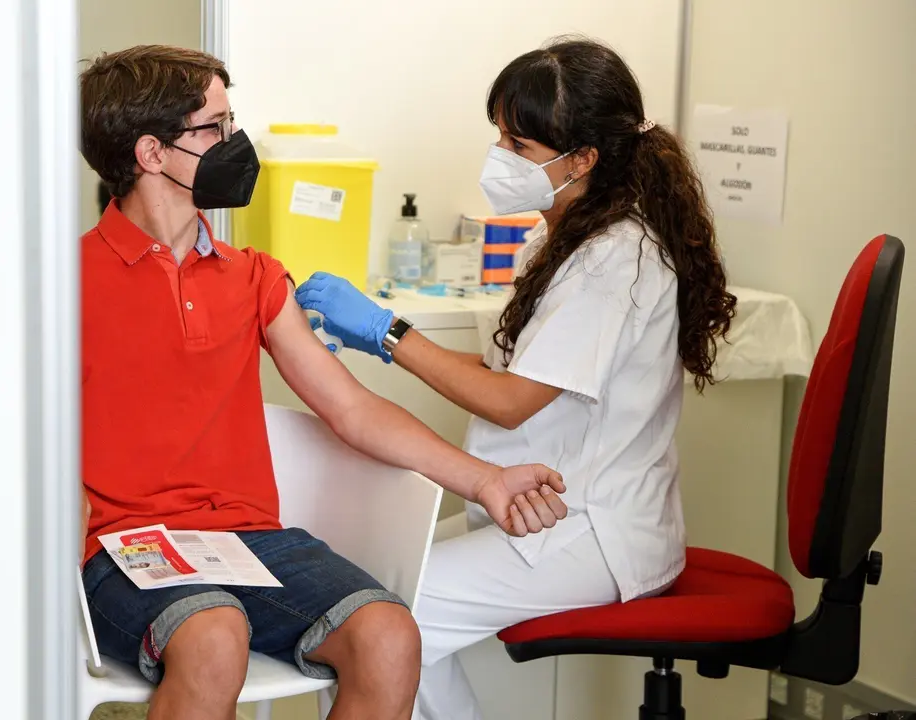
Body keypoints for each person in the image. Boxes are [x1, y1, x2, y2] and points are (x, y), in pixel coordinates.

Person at [78, 45, 568, 720]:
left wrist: (483, 479)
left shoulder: (252, 277)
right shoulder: (65, 283)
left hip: (249, 541)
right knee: (215, 635)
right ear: (152, 153)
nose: (235, 143)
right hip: (128, 545)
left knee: (389, 635)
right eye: (215, 128)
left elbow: (351, 408)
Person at [296, 36, 738, 719]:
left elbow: (511, 403)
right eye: (499, 136)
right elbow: (510, 371)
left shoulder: (615, 257)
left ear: (584, 158)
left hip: (589, 531)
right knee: (364, 594)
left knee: (370, 623)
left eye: (519, 145)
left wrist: (387, 332)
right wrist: (373, 341)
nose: (499, 157)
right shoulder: (555, 235)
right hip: (538, 511)